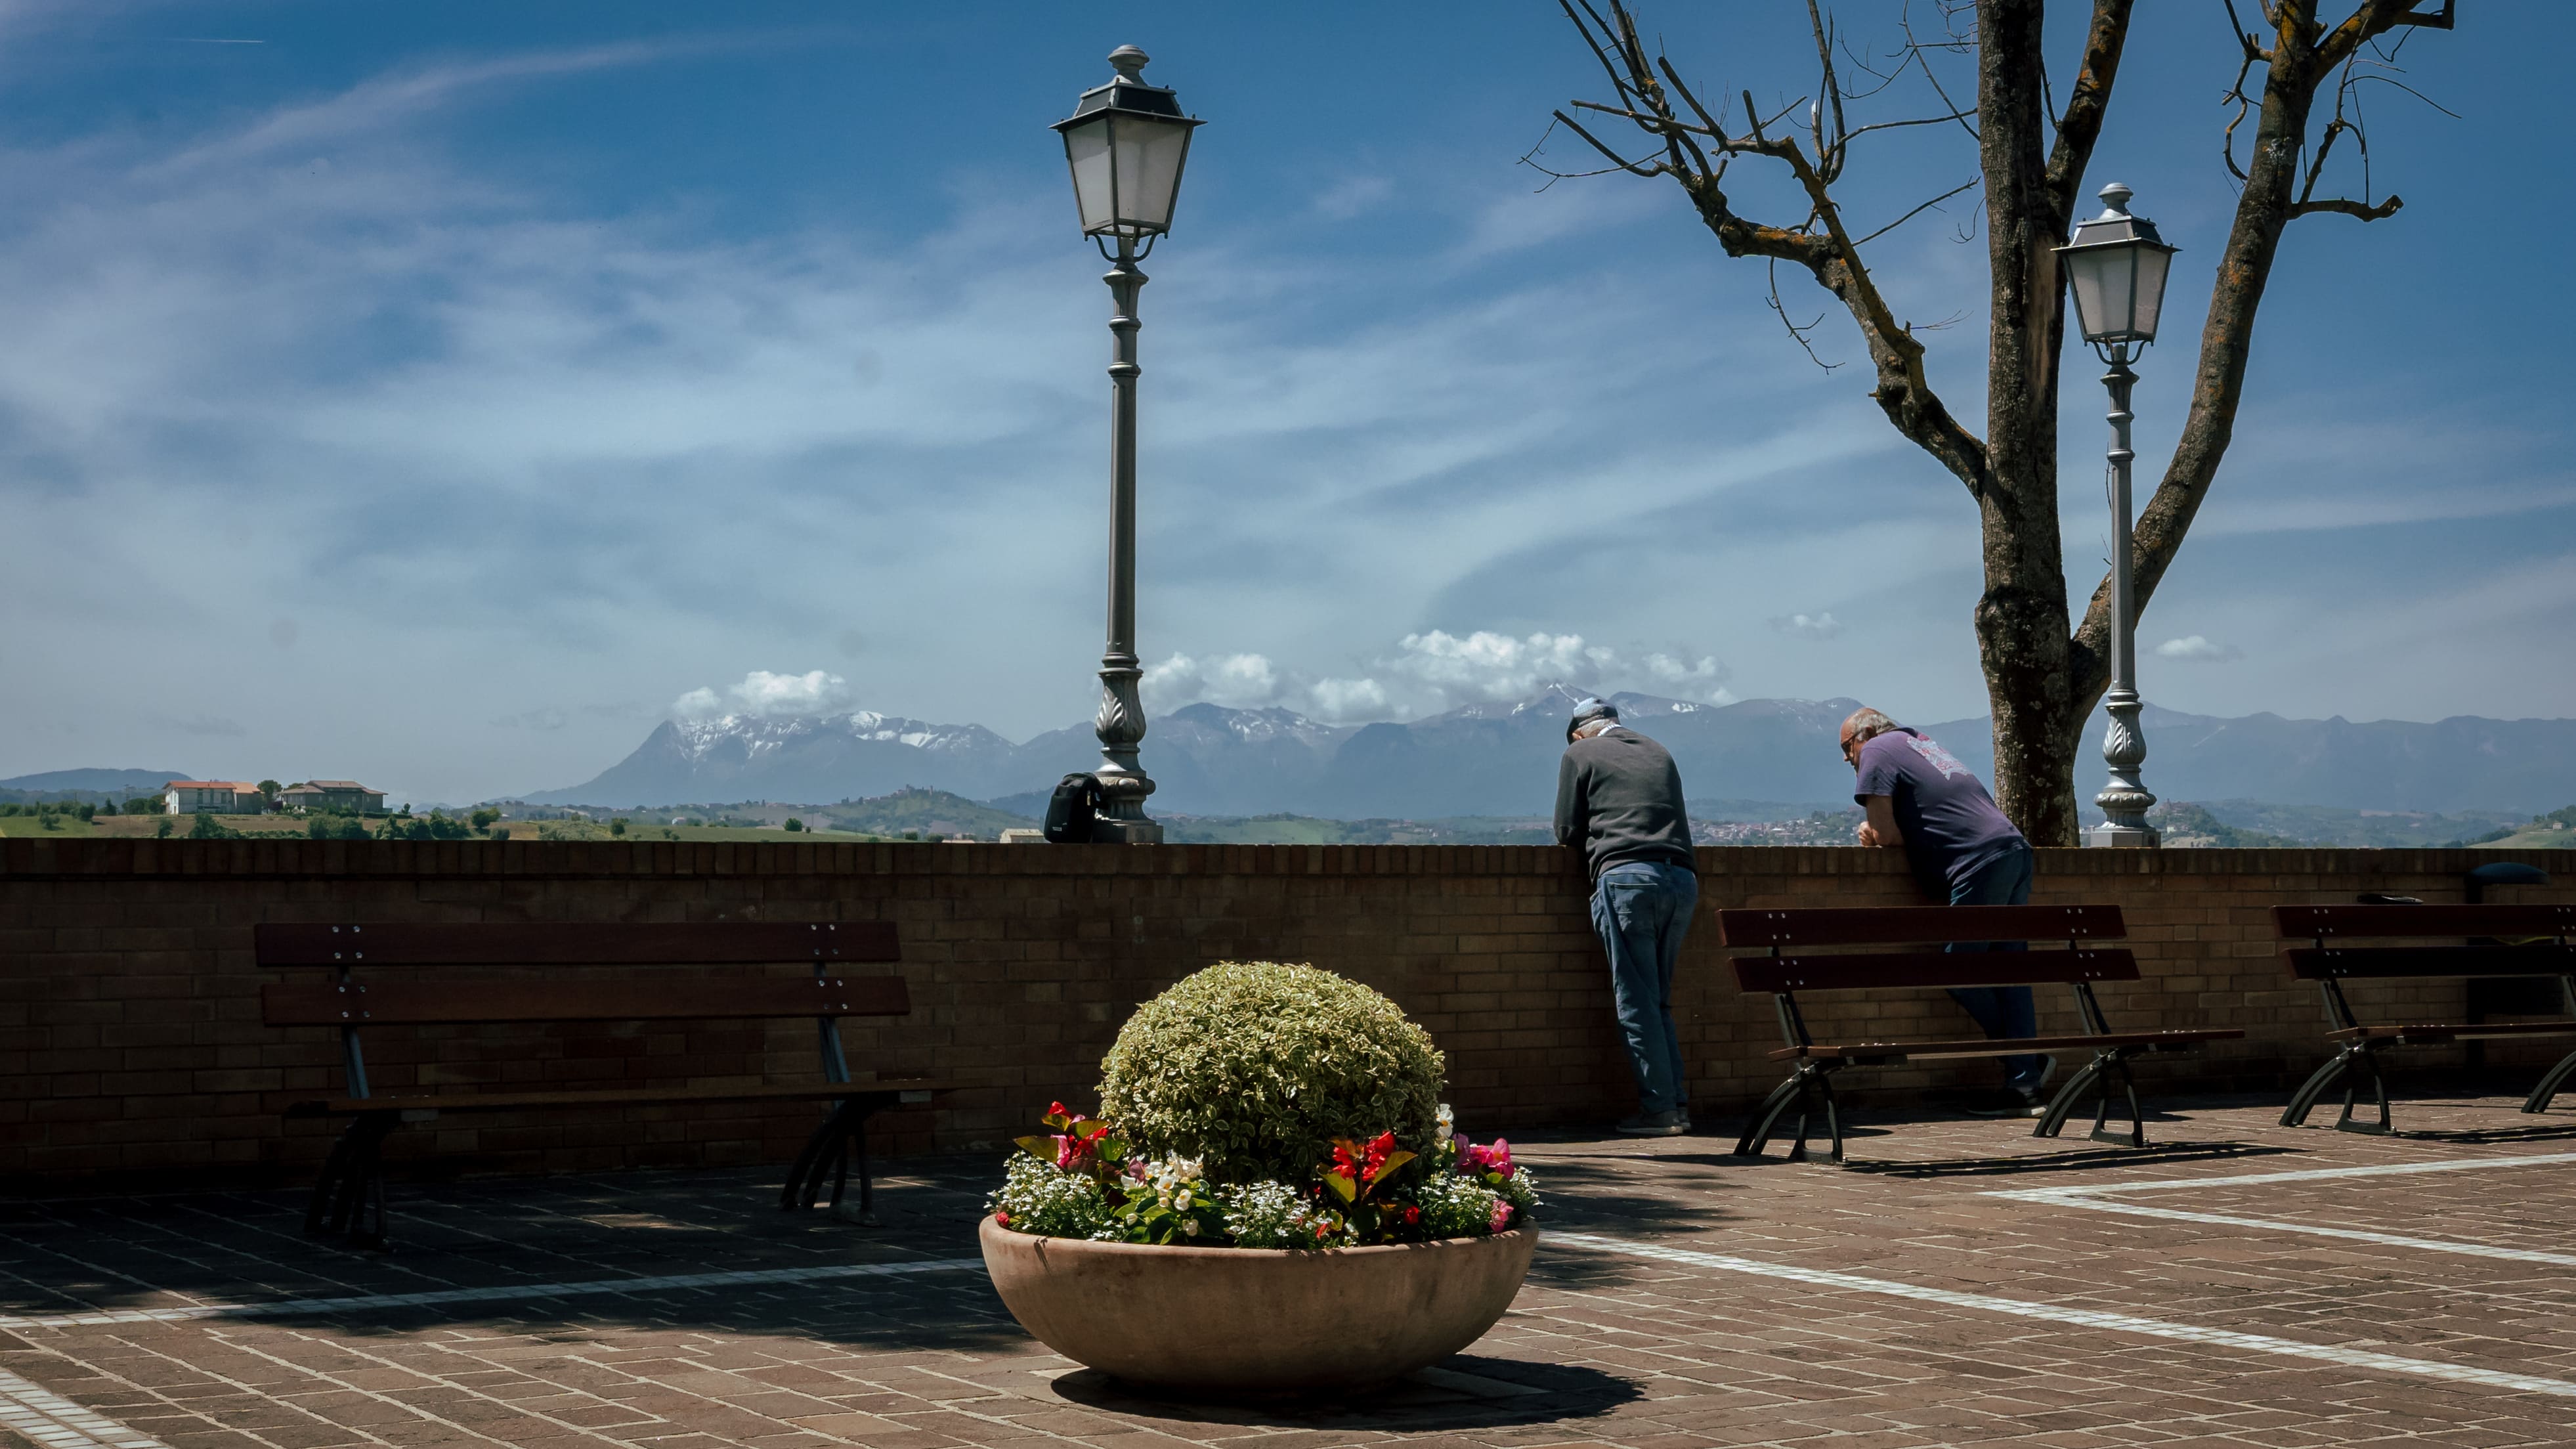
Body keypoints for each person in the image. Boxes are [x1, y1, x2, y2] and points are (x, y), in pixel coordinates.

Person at [1840, 706, 2051, 1117]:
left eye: (1847, 748)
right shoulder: (1917, 742)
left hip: (1980, 861)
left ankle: (2025, 1065)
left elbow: (1884, 833)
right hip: (2013, 850)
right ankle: (2025, 1083)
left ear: (1864, 733)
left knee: (1957, 971)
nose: (1848, 759)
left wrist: (1869, 833)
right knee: (2011, 972)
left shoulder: (1878, 751)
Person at [1554, 697, 1699, 1136]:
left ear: (1580, 732)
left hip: (1627, 880)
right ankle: (1675, 1104)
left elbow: (1567, 830)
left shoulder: (1579, 753)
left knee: (1636, 999)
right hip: (1681, 881)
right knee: (1659, 999)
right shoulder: (1658, 750)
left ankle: (1660, 1111)